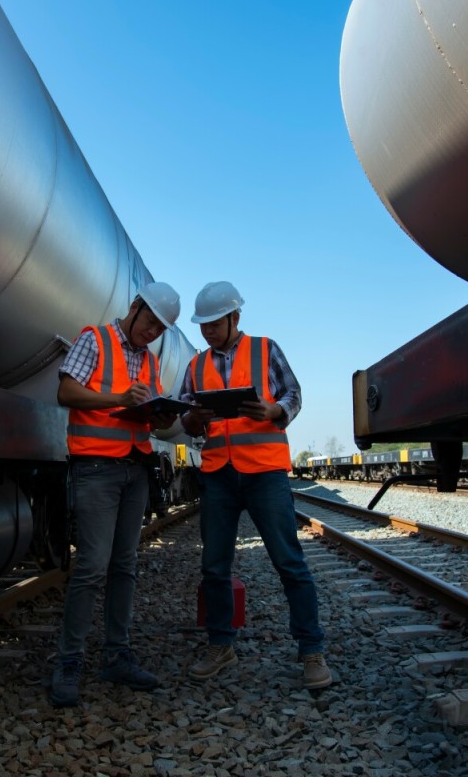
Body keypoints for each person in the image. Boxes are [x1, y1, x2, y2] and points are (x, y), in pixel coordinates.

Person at [179, 281, 332, 689]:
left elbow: (294, 394)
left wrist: (273, 409)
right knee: (214, 566)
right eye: (203, 325)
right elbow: (186, 420)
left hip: (264, 472)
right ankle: (220, 644)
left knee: (289, 562)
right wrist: (195, 417)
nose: (208, 331)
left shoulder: (266, 349)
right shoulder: (196, 366)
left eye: (214, 323)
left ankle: (311, 650)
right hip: (217, 475)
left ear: (235, 318)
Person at [49, 281, 181, 707]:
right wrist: (118, 399)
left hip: (135, 468)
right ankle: (69, 662)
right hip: (96, 468)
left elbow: (148, 419)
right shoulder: (95, 339)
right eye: (151, 322)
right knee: (92, 565)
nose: (152, 333)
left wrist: (160, 416)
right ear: (136, 306)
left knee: (125, 565)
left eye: (161, 330)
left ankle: (117, 655)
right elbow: (66, 391)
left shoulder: (149, 362)